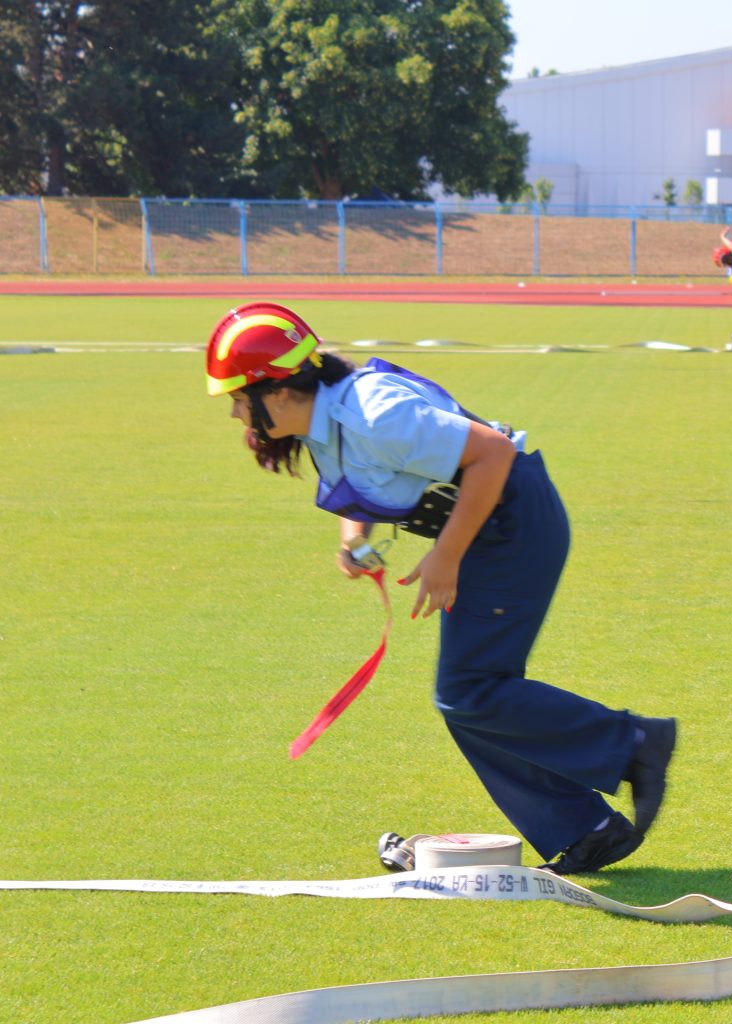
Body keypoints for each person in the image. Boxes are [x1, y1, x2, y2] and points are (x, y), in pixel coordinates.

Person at [204, 302, 677, 874]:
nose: (235, 413)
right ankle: (588, 827)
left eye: (237, 397)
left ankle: (632, 744)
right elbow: (360, 484)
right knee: (467, 697)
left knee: (468, 691)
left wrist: (446, 556)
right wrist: (355, 539)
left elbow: (493, 454)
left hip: (510, 521)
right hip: (481, 527)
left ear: (278, 391)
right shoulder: (323, 419)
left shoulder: (377, 413)